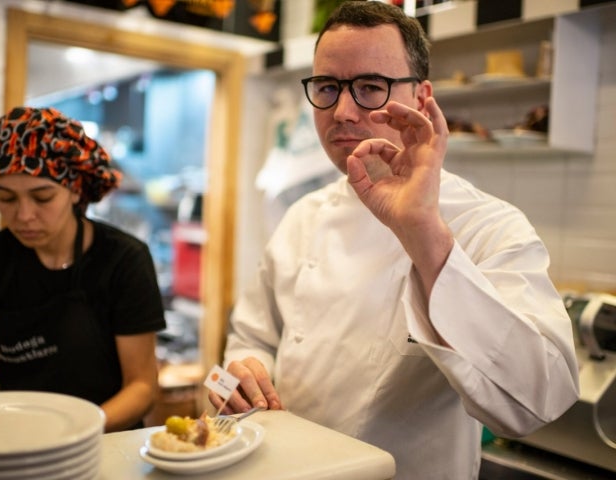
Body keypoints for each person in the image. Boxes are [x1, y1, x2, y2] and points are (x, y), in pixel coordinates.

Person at [210, 2, 580, 478]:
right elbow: (250, 338)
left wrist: (424, 233)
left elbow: (539, 402)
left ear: (422, 99)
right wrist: (237, 376)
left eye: (369, 87)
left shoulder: (488, 225)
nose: (342, 111)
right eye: (327, 87)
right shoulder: (302, 217)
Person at [0, 106, 166, 433]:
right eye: (6, 198)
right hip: (17, 439)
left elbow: (142, 387)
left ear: (75, 189)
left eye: (42, 197)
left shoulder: (123, 260)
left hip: (104, 443)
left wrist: (73, 431)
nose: (23, 216)